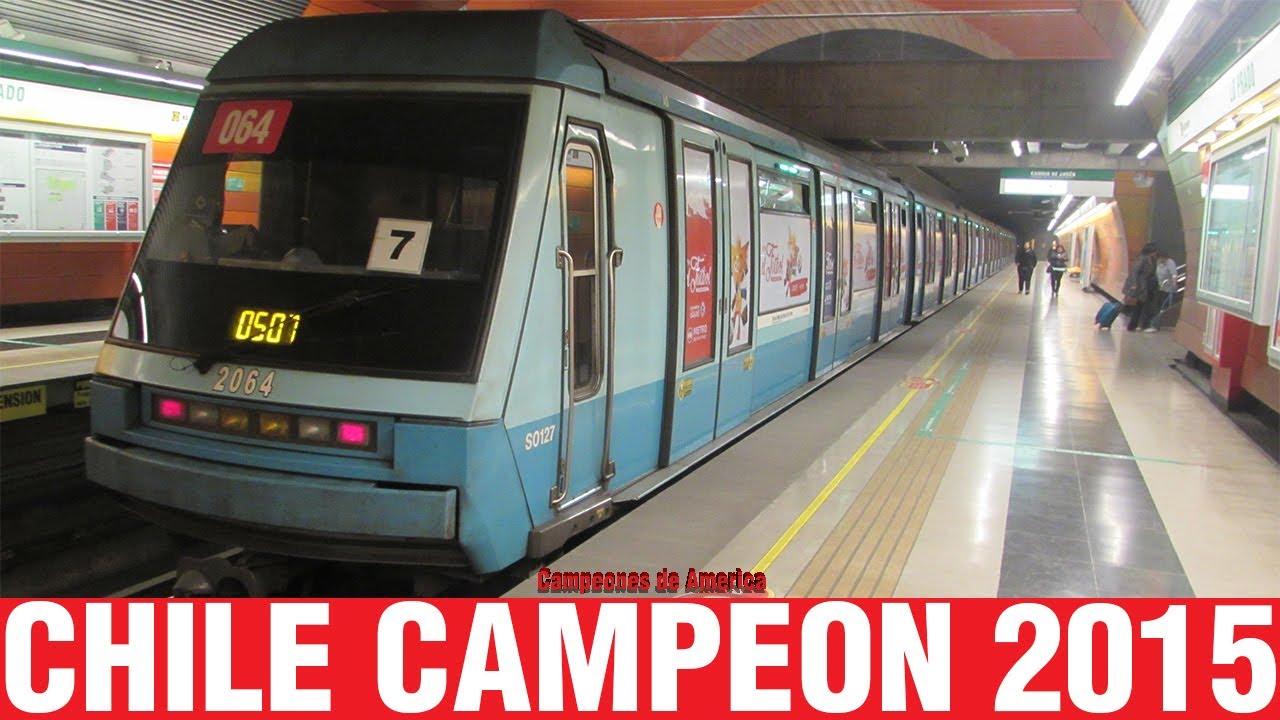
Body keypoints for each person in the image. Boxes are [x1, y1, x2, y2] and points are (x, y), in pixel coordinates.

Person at [1123, 244, 1160, 332]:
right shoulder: (1142, 259)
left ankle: (1136, 325)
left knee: (1140, 305)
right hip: (1140, 286)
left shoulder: (1150, 259)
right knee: (1140, 305)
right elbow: (1135, 272)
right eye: (1154, 251)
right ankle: (1135, 325)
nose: (1155, 253)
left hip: (1145, 286)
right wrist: (1134, 284)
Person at [1156, 251, 1179, 316]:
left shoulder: (1170, 263)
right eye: (1159, 258)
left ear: (1165, 258)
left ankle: (1163, 315)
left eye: (1162, 258)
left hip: (1168, 287)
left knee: (1165, 303)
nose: (1160, 260)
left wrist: (1174, 284)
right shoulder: (1158, 262)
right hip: (1160, 286)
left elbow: (1174, 275)